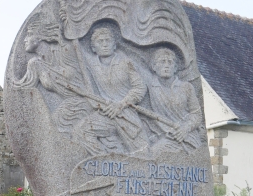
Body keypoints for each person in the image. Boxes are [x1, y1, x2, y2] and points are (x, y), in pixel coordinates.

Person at [72, 21, 149, 155]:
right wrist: (70, 26)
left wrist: (120, 105)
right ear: (93, 48)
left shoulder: (126, 62)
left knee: (144, 156)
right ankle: (104, 160)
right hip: (105, 114)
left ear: (114, 45)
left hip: (126, 115)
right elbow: (77, 48)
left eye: (108, 40)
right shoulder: (92, 63)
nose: (105, 44)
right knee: (80, 131)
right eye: (100, 41)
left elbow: (140, 88)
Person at [146, 47, 204, 153]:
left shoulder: (186, 87)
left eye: (170, 62)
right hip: (165, 135)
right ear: (154, 66)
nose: (167, 65)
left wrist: (185, 129)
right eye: (162, 61)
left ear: (175, 67)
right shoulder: (149, 86)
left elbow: (197, 114)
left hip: (188, 136)